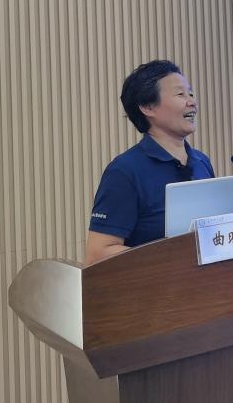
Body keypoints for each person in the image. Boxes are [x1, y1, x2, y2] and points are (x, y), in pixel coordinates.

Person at [85, 60, 215, 265]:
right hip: (158, 282)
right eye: (180, 94)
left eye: (191, 94)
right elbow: (98, 254)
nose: (192, 102)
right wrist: (171, 259)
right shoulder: (125, 170)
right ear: (148, 107)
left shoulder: (201, 162)